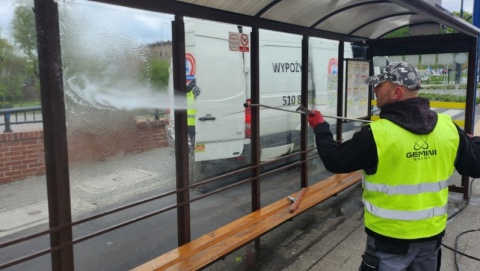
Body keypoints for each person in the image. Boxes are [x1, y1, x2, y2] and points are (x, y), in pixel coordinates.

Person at [307, 62, 480, 271]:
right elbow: (476, 166)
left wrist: (320, 128)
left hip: (388, 241)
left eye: (380, 85)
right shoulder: (448, 128)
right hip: (430, 238)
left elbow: (335, 160)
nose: (375, 90)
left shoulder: (377, 134)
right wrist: (471, 141)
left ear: (396, 92)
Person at [186, 79, 200, 149]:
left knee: (193, 140)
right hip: (196, 123)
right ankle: (195, 154)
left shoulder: (188, 93)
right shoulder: (196, 91)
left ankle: (193, 152)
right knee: (197, 141)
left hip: (188, 123)